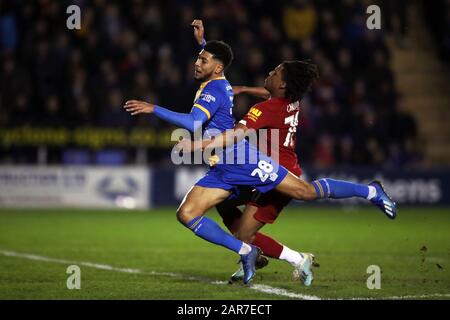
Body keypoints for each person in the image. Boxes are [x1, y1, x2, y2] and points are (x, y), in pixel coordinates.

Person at [125, 22, 397, 287]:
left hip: (245, 161)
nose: (271, 71)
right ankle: (247, 252)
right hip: (224, 165)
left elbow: (209, 127)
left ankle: (369, 193)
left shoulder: (258, 107)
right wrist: (204, 45)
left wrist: (159, 114)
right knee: (189, 213)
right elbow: (222, 71)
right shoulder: (287, 98)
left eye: (276, 72)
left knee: (303, 194)